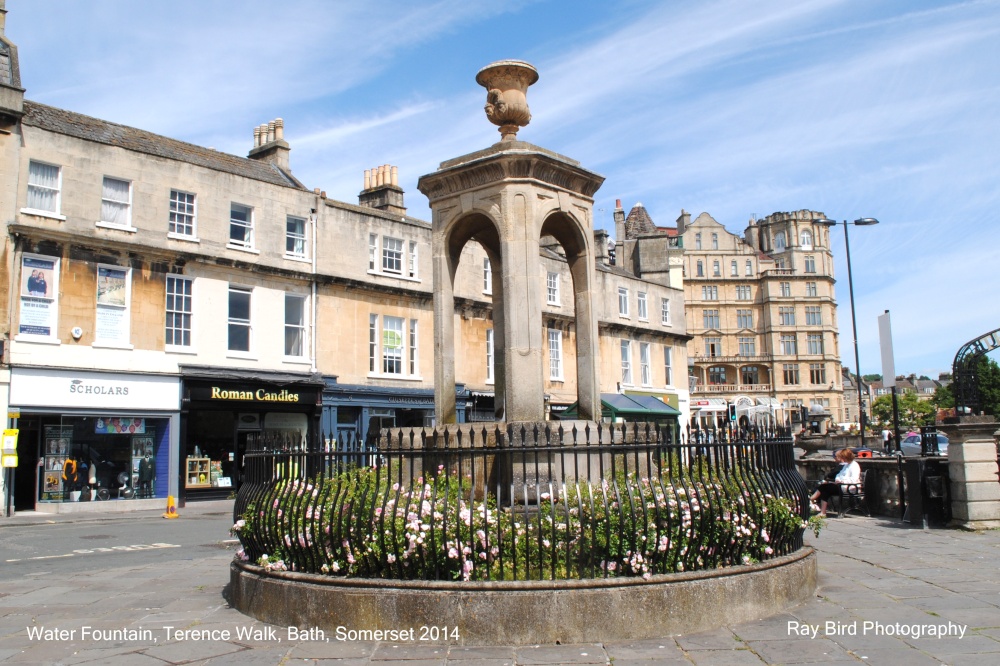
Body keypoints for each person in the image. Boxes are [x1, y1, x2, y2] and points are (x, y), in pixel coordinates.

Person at [810, 448, 861, 517]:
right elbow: (839, 475)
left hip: (849, 487)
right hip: (841, 486)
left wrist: (842, 481)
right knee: (825, 489)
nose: (842, 459)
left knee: (824, 487)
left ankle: (811, 500)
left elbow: (854, 479)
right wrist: (838, 480)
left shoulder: (854, 465)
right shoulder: (846, 465)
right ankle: (822, 511)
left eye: (843, 457)